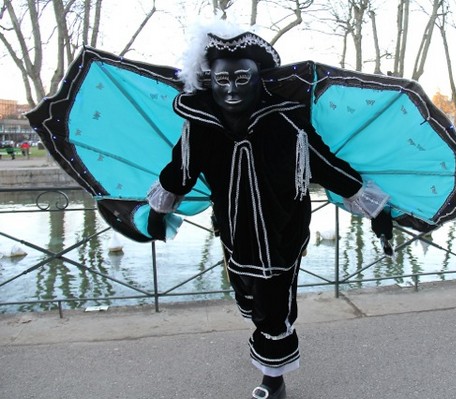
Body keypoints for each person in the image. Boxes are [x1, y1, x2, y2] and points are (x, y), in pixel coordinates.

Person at [144, 21, 392, 399]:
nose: (230, 89)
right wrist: (159, 209)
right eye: (221, 80)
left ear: (259, 80)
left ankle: (273, 381)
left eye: (242, 78)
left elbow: (325, 166)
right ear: (208, 81)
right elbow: (181, 170)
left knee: (273, 306)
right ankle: (266, 330)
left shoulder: (288, 122)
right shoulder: (199, 126)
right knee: (248, 296)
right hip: (233, 231)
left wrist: (376, 208)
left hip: (283, 232)